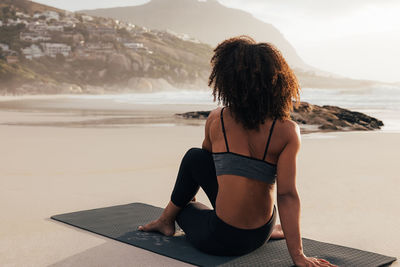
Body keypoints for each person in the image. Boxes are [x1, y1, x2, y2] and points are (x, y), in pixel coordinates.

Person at [139, 36, 336, 267]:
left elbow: (204, 165)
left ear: (228, 82)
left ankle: (166, 220)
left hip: (221, 240)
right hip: (262, 230)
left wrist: (188, 199)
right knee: (205, 163)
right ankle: (268, 228)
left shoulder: (217, 119)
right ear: (278, 82)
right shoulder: (288, 131)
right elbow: (287, 195)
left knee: (191, 176)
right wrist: (298, 256)